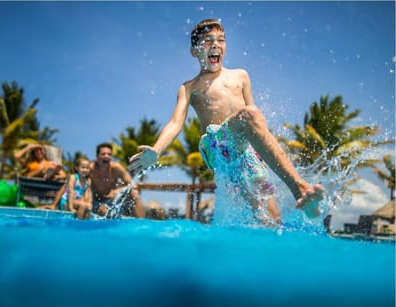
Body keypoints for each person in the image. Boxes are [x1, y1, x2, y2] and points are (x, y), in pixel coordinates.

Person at [128, 19, 323, 220]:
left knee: (270, 219)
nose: (215, 45)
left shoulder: (241, 76)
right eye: (207, 40)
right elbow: (176, 122)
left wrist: (263, 150)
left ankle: (308, 208)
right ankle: (300, 188)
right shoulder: (189, 88)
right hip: (217, 147)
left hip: (245, 150)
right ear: (194, 51)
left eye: (221, 40)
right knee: (250, 114)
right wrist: (158, 150)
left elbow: (256, 119)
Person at [90, 143, 145, 218]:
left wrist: (116, 191)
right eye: (103, 154)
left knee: (134, 193)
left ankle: (141, 224)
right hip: (95, 201)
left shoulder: (116, 168)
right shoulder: (91, 169)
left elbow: (133, 185)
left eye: (109, 154)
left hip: (111, 199)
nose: (106, 156)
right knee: (103, 210)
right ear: (97, 156)